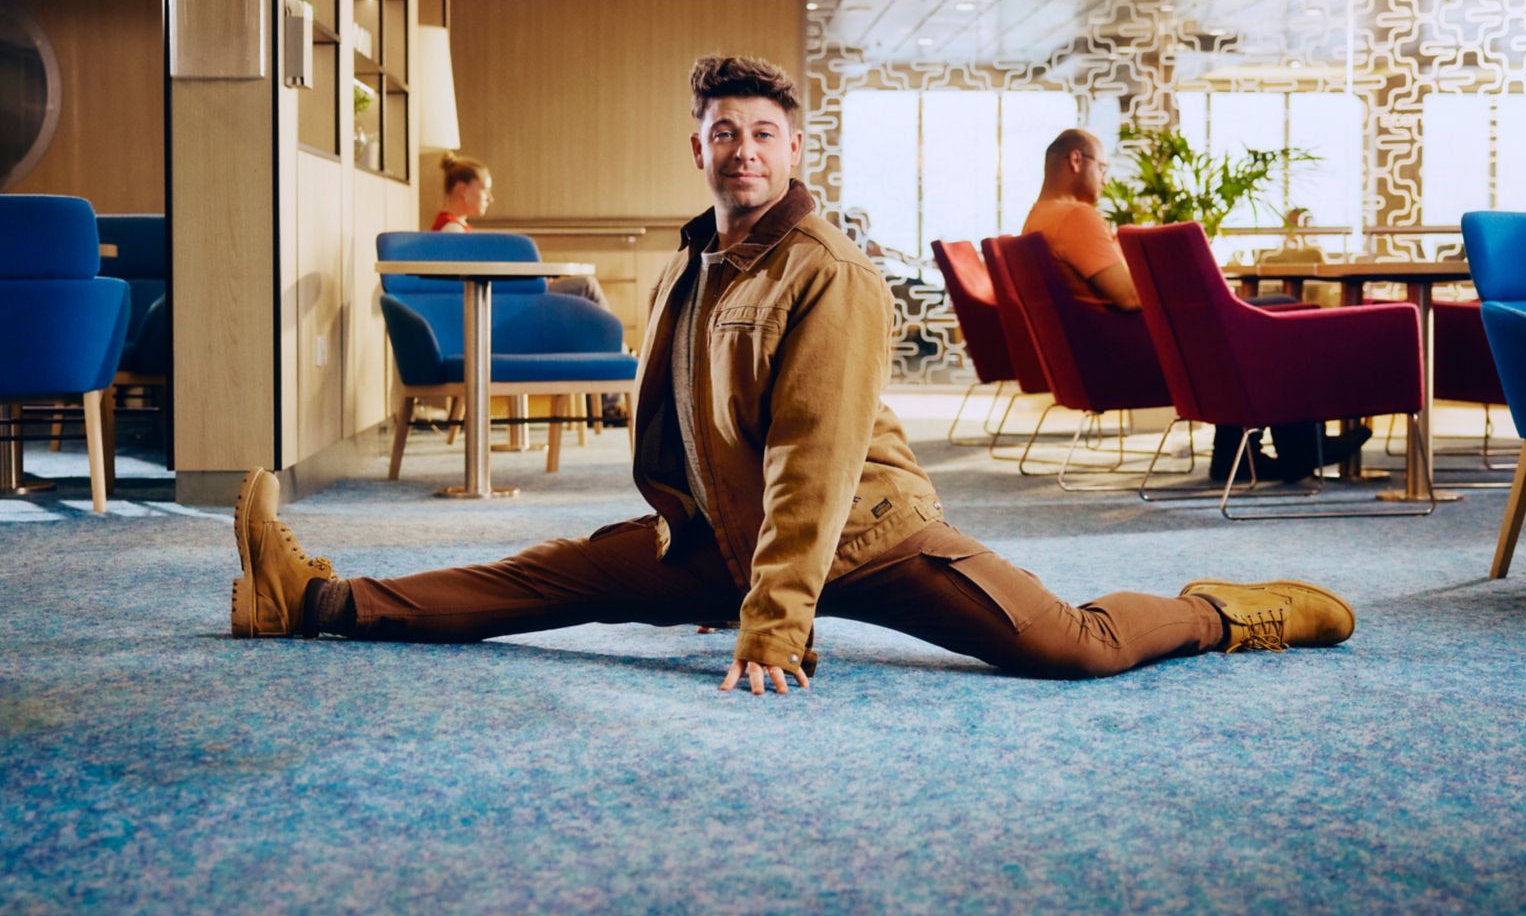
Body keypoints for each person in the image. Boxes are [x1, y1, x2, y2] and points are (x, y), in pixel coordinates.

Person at [229, 56, 1355, 693]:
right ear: (699, 147)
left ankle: (1223, 613)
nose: (743, 152)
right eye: (724, 132)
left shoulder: (831, 276)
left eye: (763, 134)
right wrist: (677, 545)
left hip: (864, 535)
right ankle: (314, 599)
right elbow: (675, 421)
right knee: (537, 581)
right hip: (724, 534)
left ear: (794, 150)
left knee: (1068, 646)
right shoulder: (690, 262)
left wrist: (773, 626)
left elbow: (814, 466)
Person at [1020, 128, 1371, 483]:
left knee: (1257, 316)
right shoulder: (1076, 217)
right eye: (1104, 167)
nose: (1107, 179)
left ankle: (1239, 453)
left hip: (1102, 350)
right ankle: (1302, 447)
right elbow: (1128, 296)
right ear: (1076, 160)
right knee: (1282, 312)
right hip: (1135, 350)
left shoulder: (1036, 219)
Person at [433, 151, 609, 310]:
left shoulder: (455, 229)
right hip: (502, 300)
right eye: (485, 190)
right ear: (462, 190)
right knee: (587, 285)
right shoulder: (452, 232)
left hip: (500, 296)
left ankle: (616, 345)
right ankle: (618, 345)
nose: (490, 198)